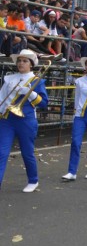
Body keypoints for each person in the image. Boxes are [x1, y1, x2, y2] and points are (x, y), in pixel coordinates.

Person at [0, 50, 47, 193]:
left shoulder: (36, 80)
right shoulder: (9, 78)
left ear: (31, 64)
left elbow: (44, 103)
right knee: (1, 152)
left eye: (25, 61)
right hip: (7, 119)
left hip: (26, 120)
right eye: (19, 60)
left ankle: (33, 180)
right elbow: (2, 96)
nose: (21, 63)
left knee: (27, 152)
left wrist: (31, 93)